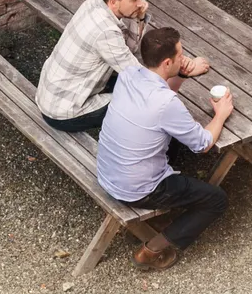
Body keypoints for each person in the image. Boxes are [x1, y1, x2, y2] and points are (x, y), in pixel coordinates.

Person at [96, 27, 234, 271]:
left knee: (170, 139)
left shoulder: (129, 74)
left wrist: (181, 75)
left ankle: (168, 212)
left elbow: (158, 101)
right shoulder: (167, 104)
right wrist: (221, 115)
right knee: (216, 200)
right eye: (180, 55)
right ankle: (152, 249)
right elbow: (202, 144)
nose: (184, 58)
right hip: (137, 189)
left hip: (108, 173)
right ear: (168, 61)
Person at [37, 0, 210, 132]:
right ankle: (165, 153)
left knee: (134, 83)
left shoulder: (97, 1)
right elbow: (141, 82)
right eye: (135, 0)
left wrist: (139, 16)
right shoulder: (105, 32)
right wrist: (181, 71)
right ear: (113, 2)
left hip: (52, 94)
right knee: (143, 106)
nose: (142, 3)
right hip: (65, 111)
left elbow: (130, 48)